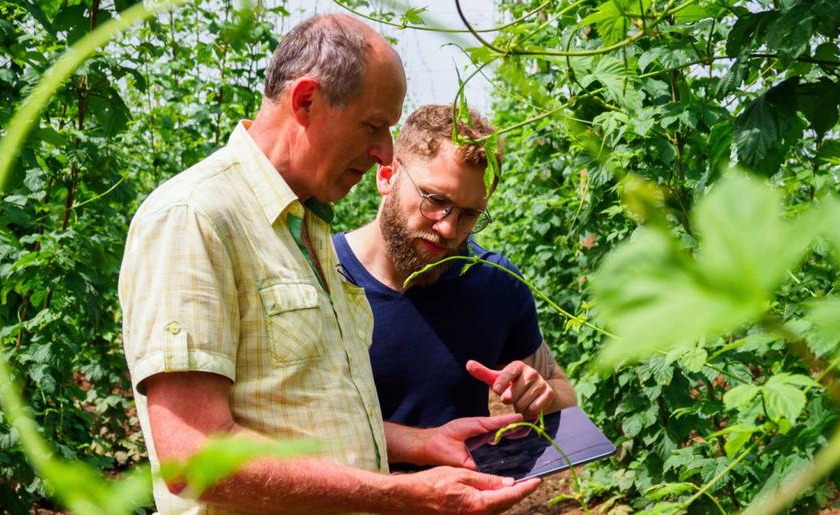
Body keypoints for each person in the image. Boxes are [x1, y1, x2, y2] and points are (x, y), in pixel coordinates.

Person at [119, 15, 539, 514]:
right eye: (373, 124)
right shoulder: (196, 217)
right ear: (306, 101)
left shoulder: (305, 225)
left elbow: (305, 419)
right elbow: (192, 456)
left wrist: (419, 442)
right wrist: (402, 494)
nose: (384, 149)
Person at [333, 105, 578, 468]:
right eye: (435, 201)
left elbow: (564, 393)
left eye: (469, 215)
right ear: (386, 175)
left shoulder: (496, 284)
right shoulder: (321, 277)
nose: (448, 229)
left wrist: (542, 394)